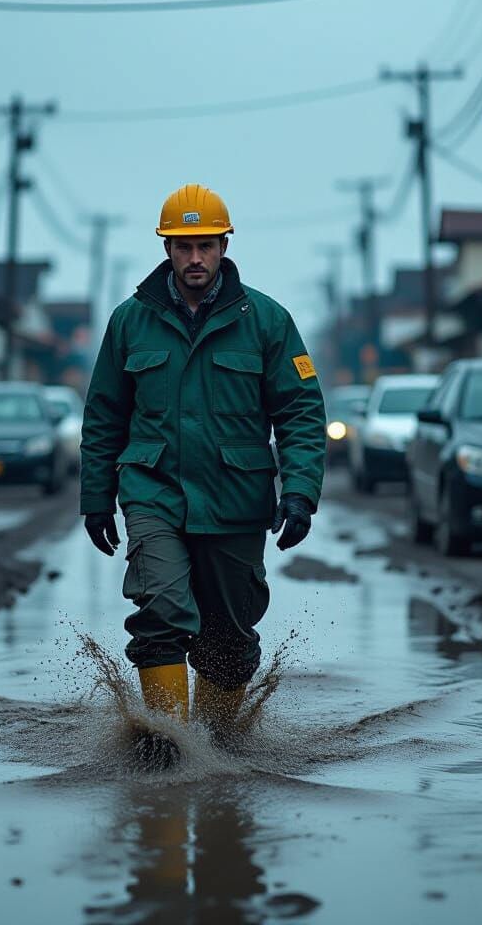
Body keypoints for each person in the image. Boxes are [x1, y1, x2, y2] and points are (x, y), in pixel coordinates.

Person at [80, 183, 326, 750]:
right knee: (162, 612)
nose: (195, 258)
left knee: (229, 637)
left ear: (224, 246)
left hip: (235, 499)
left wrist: (300, 492)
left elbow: (301, 411)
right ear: (166, 248)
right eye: (183, 245)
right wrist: (96, 498)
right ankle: (173, 748)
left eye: (207, 245)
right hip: (153, 492)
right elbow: (103, 416)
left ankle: (218, 746)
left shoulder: (266, 320)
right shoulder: (130, 322)